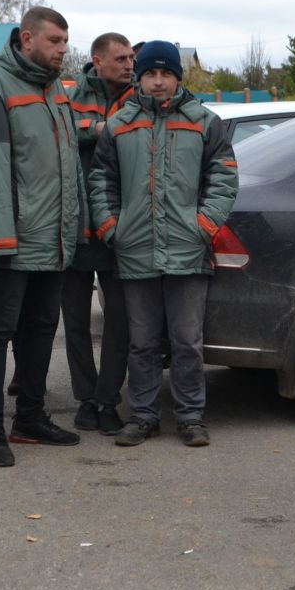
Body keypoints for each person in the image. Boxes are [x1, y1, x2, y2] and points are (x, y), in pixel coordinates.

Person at [89, 40, 238, 447]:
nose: (158, 82)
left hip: (188, 250)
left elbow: (224, 178)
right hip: (134, 249)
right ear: (139, 77)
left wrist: (203, 224)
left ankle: (190, 417)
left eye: (165, 74)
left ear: (177, 77)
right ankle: (143, 415)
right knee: (142, 342)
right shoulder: (121, 124)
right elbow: (101, 180)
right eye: (150, 74)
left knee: (188, 342)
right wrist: (111, 227)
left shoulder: (205, 122)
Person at [0, 7, 86, 468]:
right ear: (26, 38)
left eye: (64, 43)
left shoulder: (55, 90)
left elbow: (69, 165)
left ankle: (29, 418)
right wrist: (0, 238)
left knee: (39, 331)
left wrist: (74, 227)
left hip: (52, 239)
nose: (61, 50)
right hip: (14, 240)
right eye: (54, 41)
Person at [62, 32, 134, 436]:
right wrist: (105, 126)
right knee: (73, 323)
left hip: (118, 227)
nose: (129, 65)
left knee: (118, 323)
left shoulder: (138, 94)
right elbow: (67, 130)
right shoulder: (71, 92)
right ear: (98, 60)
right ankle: (85, 400)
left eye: (130, 59)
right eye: (120, 58)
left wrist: (105, 128)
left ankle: (108, 400)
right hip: (74, 228)